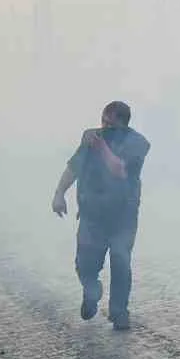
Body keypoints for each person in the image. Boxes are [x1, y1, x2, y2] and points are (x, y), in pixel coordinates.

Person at [52, 101, 151, 331]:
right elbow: (74, 167)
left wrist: (102, 147)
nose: (104, 127)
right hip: (92, 215)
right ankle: (91, 291)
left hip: (122, 217)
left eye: (110, 124)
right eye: (103, 121)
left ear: (123, 125)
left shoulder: (136, 144)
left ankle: (119, 312)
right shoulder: (91, 138)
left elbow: (119, 170)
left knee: (120, 261)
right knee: (85, 264)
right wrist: (59, 193)